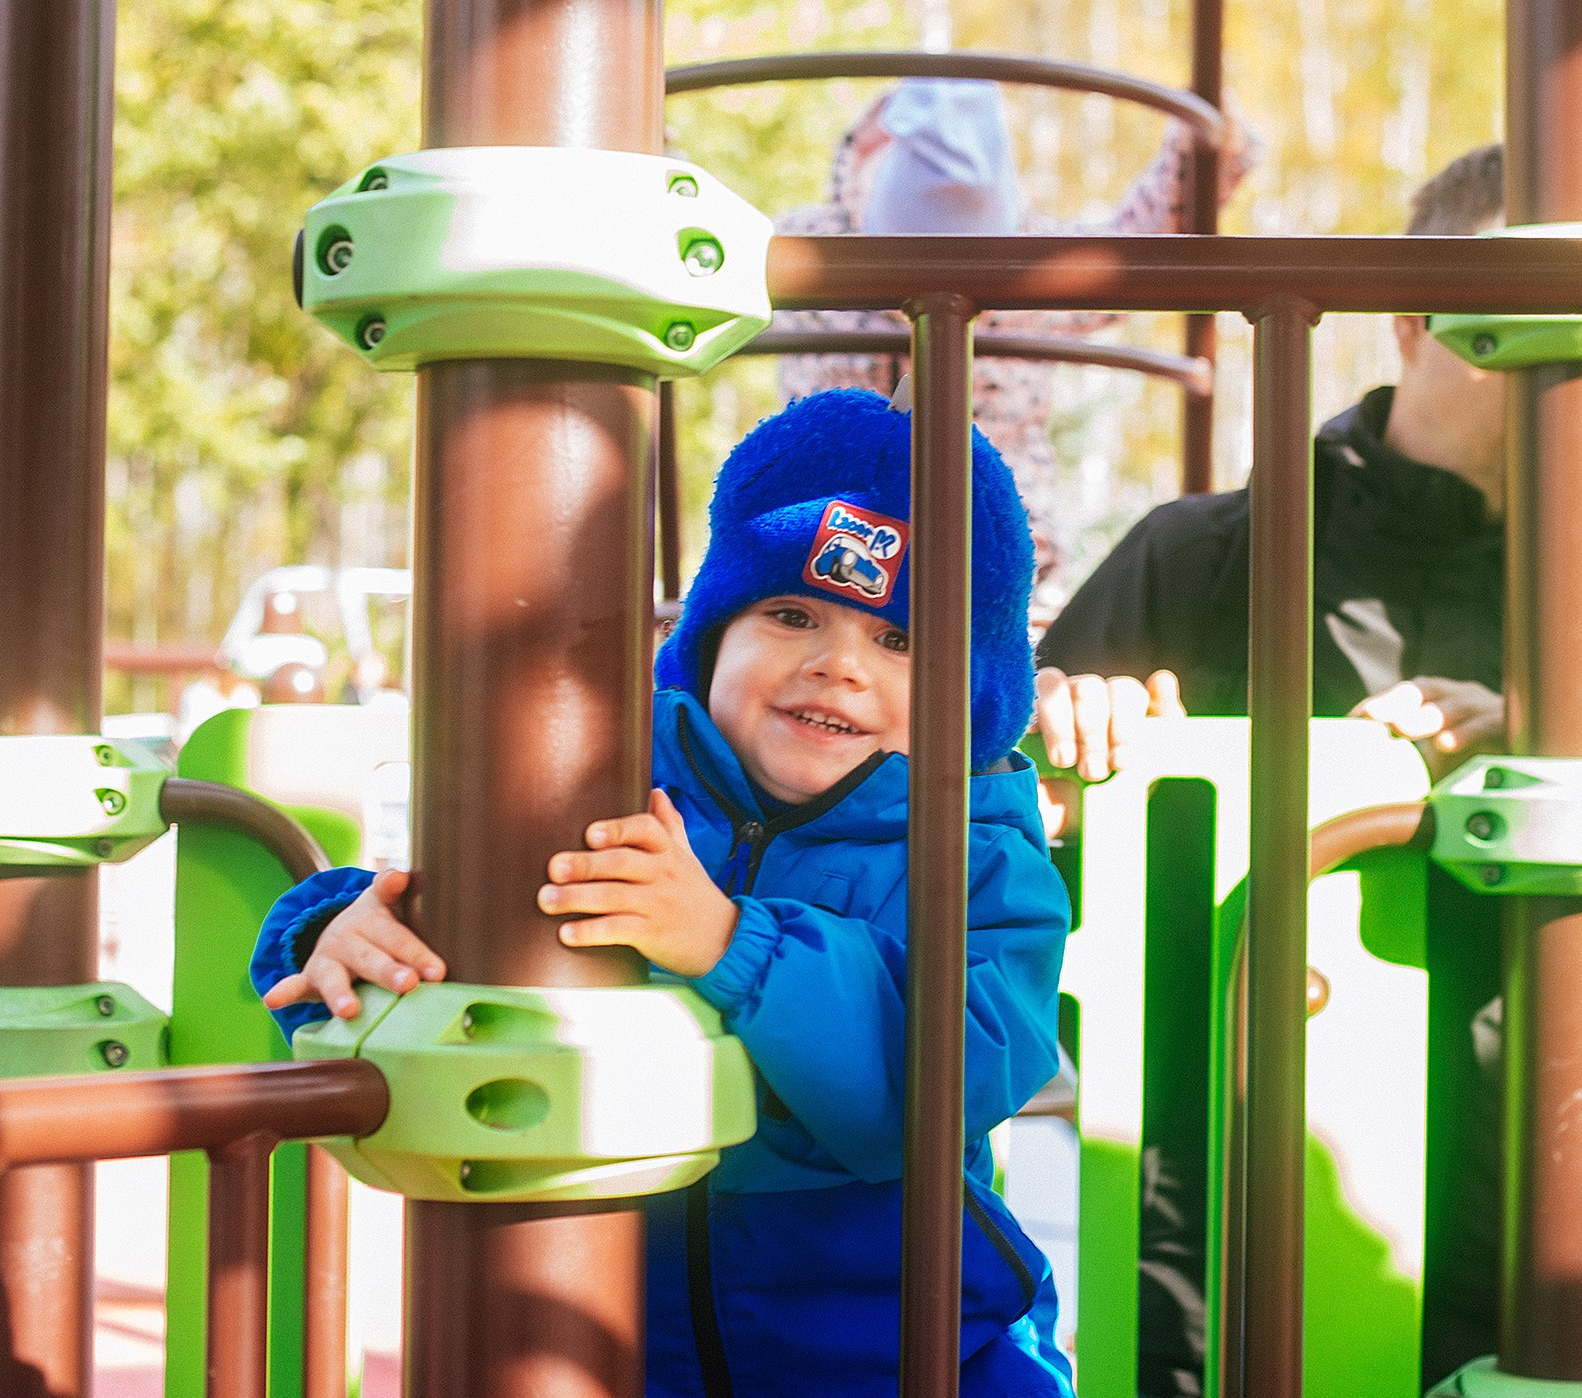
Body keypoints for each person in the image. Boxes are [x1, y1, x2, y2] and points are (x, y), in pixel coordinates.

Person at [1031, 143, 1582, 1396]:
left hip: (1532, 1277)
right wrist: (1065, 758)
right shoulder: (1203, 563)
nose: (1558, 370)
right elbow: (1011, 899)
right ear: (1408, 321)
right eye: (1510, 328)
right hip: (1208, 1245)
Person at [249, 386, 1078, 1397]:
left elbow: (947, 1074)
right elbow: (451, 909)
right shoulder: (601, 781)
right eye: (788, 614)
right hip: (611, 1337)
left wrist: (732, 941)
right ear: (712, 634)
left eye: (897, 642)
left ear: (970, 689)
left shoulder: (979, 855)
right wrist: (337, 930)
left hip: (908, 1350)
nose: (835, 666)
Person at [774, 77, 1256, 609]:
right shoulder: (812, 255)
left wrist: (1195, 153)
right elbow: (711, 257)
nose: (937, 297)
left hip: (994, 541)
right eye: (905, 276)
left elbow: (1133, 250)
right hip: (826, 536)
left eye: (972, 282)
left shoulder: (1032, 275)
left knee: (1002, 597)